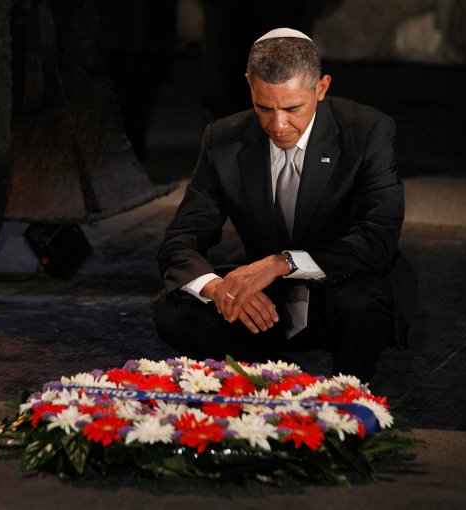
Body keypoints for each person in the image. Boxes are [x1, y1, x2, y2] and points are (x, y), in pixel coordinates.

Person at [153, 28, 415, 382]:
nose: (277, 125)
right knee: (174, 308)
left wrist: (282, 263)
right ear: (249, 86)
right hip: (267, 304)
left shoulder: (368, 131)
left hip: (339, 287)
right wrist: (219, 289)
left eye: (292, 108)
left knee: (363, 302)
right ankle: (266, 383)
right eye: (263, 107)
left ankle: (346, 398)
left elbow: (377, 240)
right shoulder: (223, 138)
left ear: (321, 88)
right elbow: (180, 240)